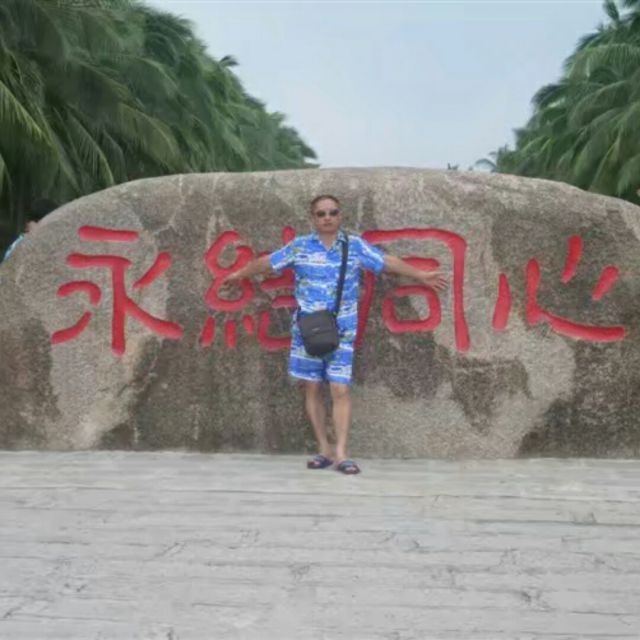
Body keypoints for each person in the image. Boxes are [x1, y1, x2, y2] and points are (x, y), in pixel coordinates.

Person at [221, 195, 447, 474]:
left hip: (342, 330)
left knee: (339, 388)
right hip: (308, 329)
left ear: (340, 216)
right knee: (312, 387)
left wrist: (420, 275)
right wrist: (239, 275)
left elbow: (385, 261)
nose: (327, 217)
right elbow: (267, 263)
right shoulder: (300, 247)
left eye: (332, 212)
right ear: (313, 218)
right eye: (321, 213)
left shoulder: (353, 246)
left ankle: (341, 453)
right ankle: (323, 449)